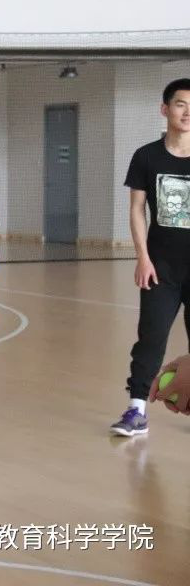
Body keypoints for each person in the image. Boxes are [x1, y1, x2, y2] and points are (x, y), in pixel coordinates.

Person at [111, 78, 190, 437]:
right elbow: (137, 210)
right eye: (180, 104)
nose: (186, 112)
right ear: (165, 109)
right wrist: (143, 257)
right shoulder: (147, 156)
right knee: (150, 339)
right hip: (161, 269)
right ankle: (136, 411)